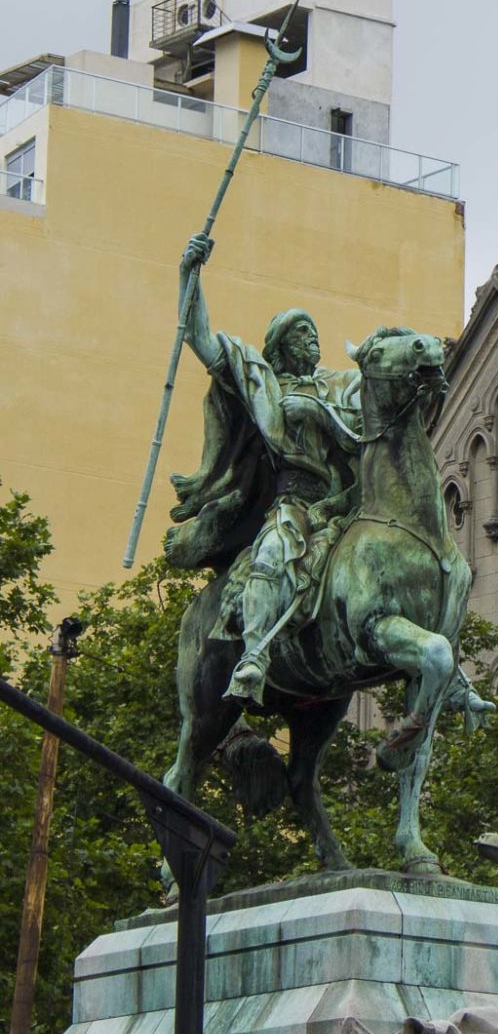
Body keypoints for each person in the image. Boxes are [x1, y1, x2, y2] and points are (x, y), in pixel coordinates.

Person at [166, 233, 363, 704]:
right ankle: (254, 655)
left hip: (349, 500)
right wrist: (188, 274)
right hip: (295, 500)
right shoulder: (263, 385)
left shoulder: (340, 385)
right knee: (272, 555)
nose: (311, 335)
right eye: (299, 330)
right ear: (277, 347)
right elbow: (200, 339)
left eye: (313, 330)